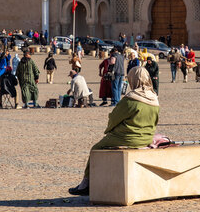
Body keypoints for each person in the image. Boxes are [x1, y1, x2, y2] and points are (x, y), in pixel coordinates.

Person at [68, 66, 159, 196]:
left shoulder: (131, 99)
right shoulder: (154, 98)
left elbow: (114, 118)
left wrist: (110, 130)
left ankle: (86, 184)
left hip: (127, 138)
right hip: (147, 138)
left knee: (96, 148)